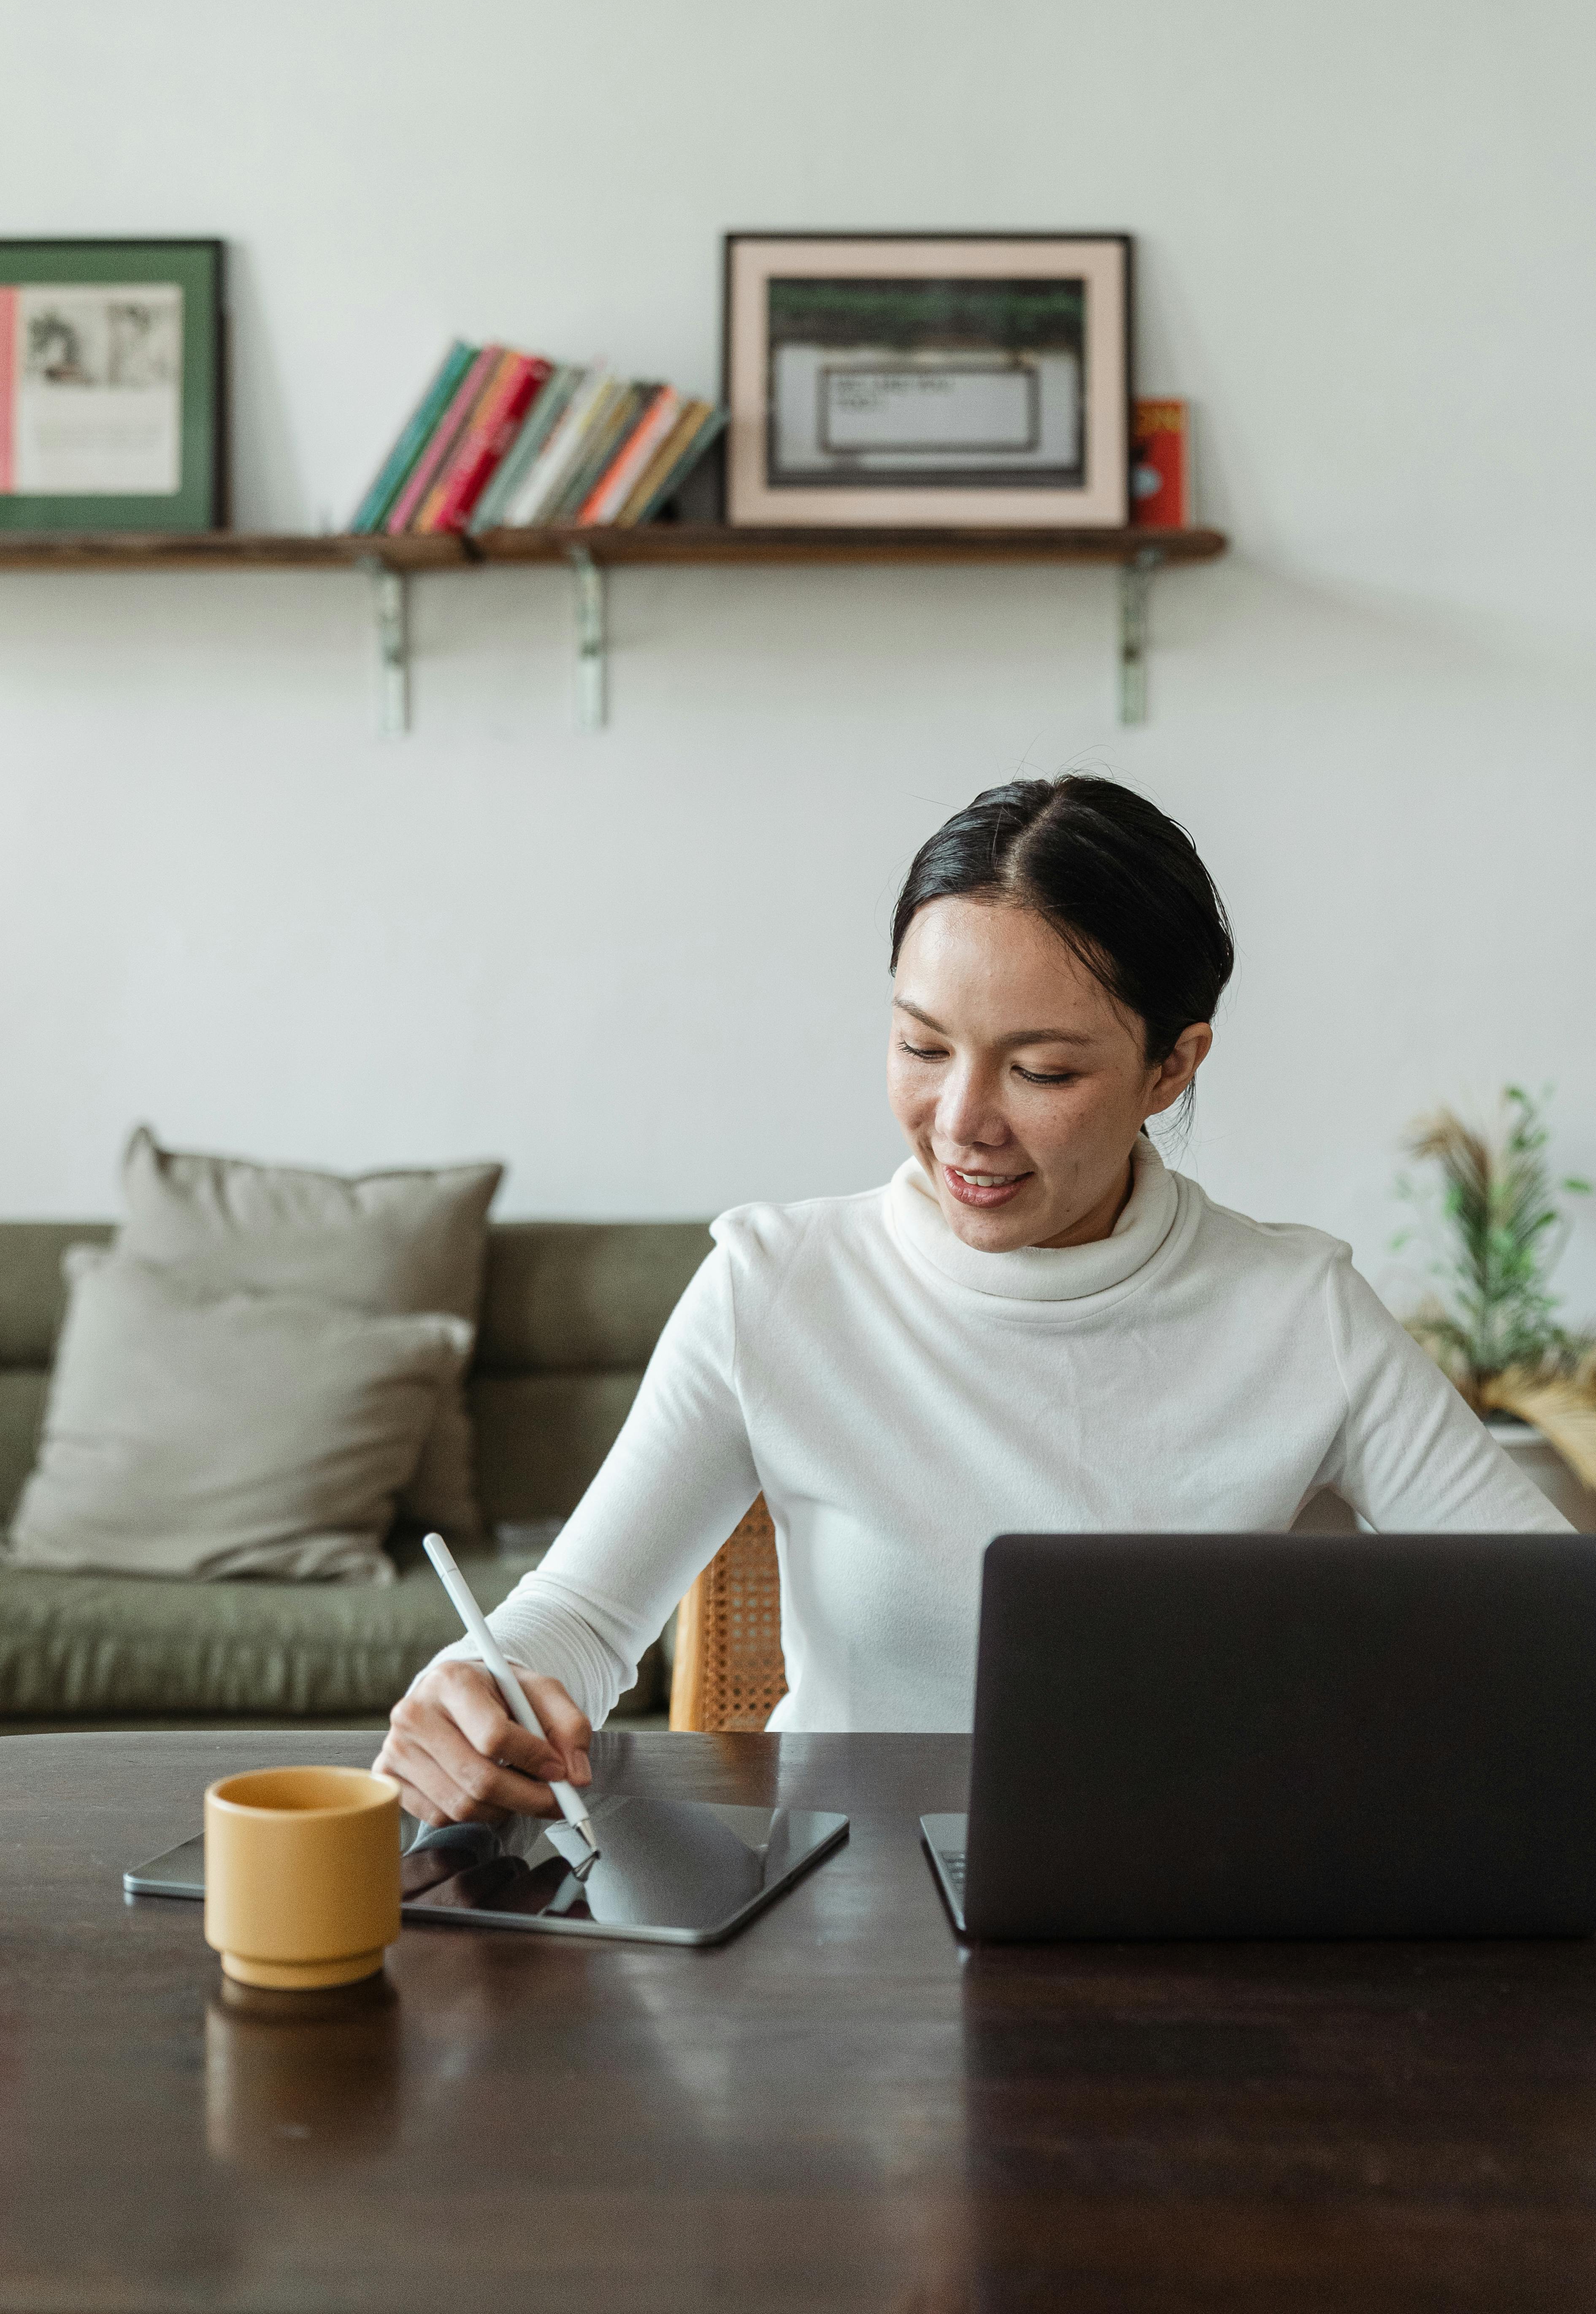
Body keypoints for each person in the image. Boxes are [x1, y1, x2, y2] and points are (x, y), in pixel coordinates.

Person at [374, 774, 1565, 1826]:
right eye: (922, 1045)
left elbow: (1552, 1627)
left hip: (1191, 1935)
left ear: (1173, 1065)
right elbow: (578, 1619)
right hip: (845, 1946)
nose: (962, 1121)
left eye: (1041, 1070)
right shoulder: (775, 1285)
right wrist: (474, 1688)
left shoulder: (1299, 1311)